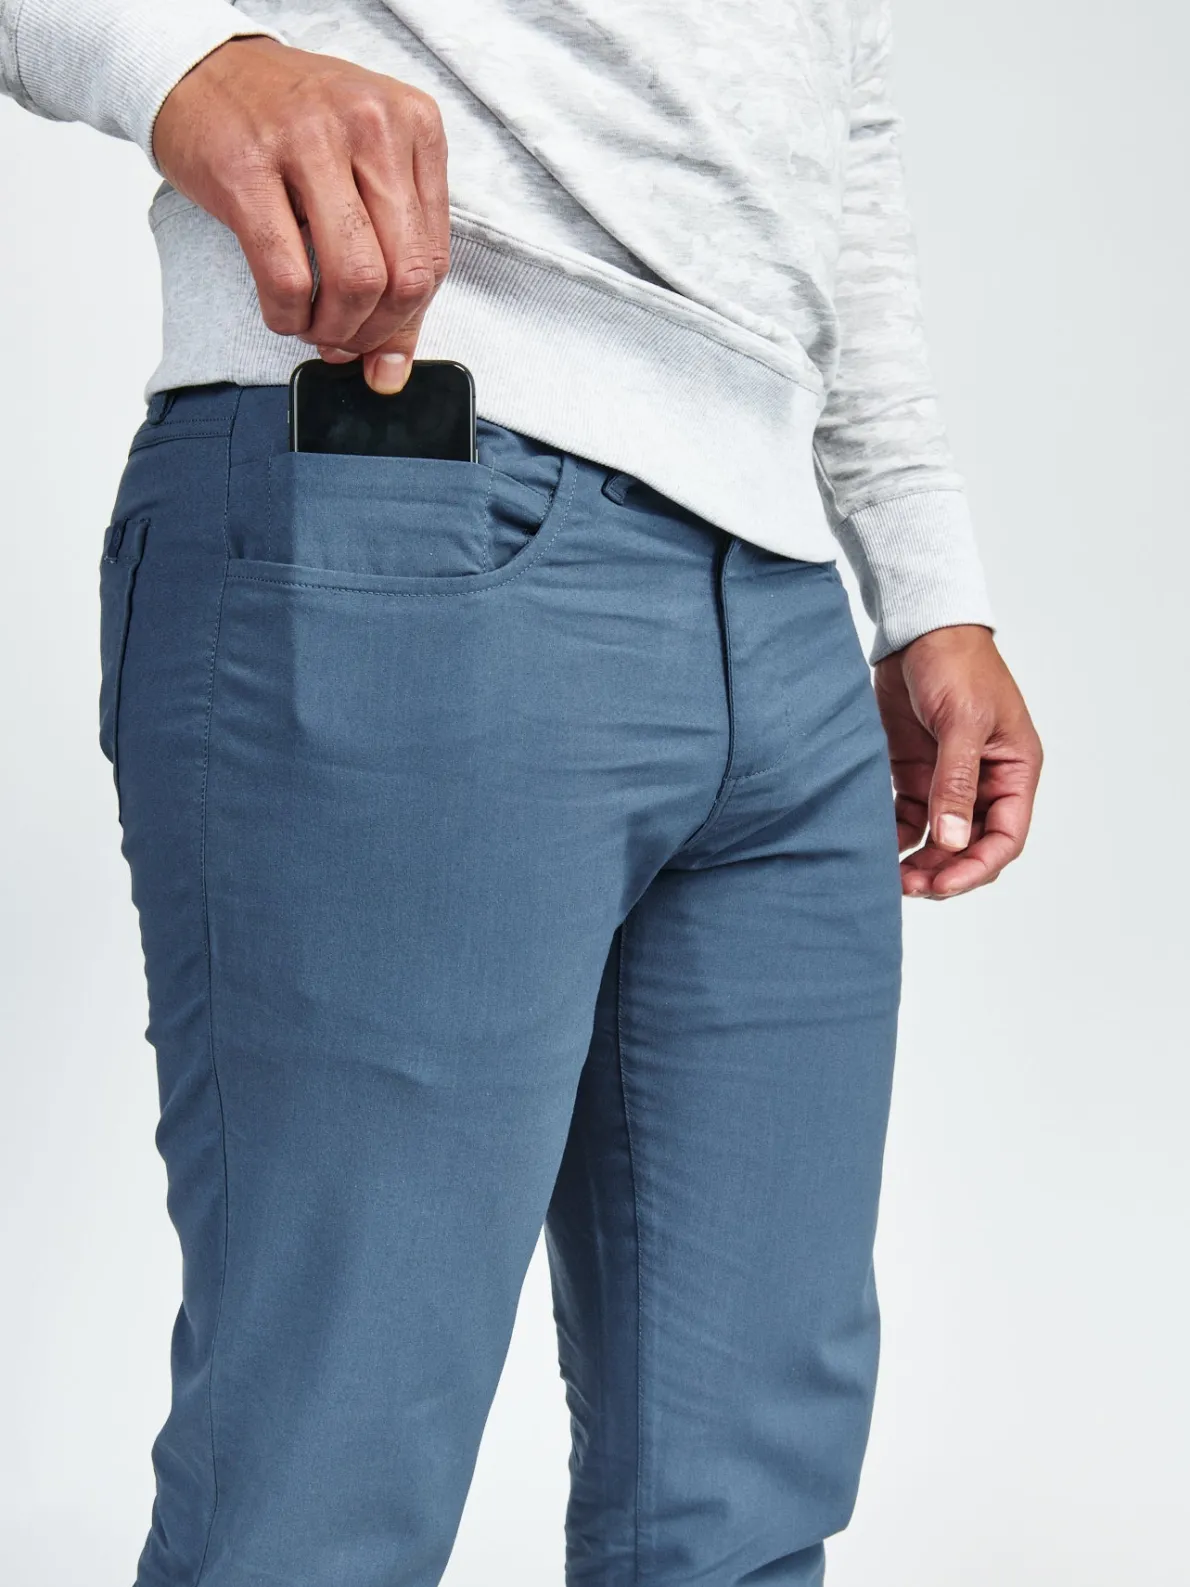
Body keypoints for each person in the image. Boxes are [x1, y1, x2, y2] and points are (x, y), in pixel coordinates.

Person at [1, 1, 1044, 1582]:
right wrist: (180, 63)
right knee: (324, 1482)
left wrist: (924, 582)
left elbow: (842, 128)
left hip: (782, 598)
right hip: (409, 470)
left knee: (745, 1504)